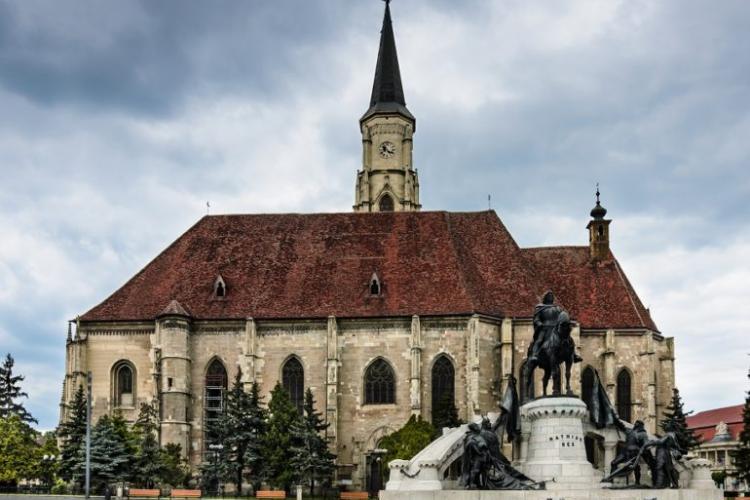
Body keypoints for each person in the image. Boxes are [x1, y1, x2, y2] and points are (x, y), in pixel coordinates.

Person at [528, 291, 582, 364]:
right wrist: (539, 323)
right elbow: (536, 319)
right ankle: (534, 355)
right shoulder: (540, 308)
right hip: (545, 328)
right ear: (545, 298)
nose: (551, 297)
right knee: (539, 340)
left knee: (569, 340)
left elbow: (563, 317)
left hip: (555, 328)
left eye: (552, 296)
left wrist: (569, 322)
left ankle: (574, 355)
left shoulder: (557, 308)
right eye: (549, 296)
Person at [606, 420, 655, 485]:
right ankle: (611, 480)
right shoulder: (629, 431)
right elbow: (621, 426)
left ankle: (637, 482)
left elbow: (646, 444)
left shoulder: (643, 434)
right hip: (625, 452)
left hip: (634, 452)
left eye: (638, 424)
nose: (636, 424)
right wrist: (615, 420)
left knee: (635, 467)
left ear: (641, 426)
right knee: (613, 463)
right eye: (636, 423)